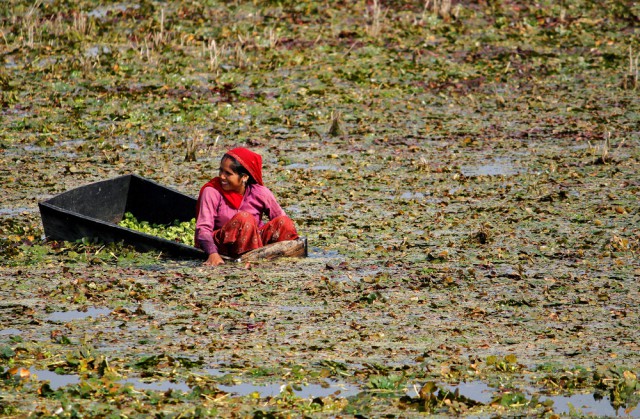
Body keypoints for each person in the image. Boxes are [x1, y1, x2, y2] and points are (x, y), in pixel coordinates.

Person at [195, 147, 298, 266]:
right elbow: (203, 229)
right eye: (221, 171)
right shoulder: (212, 192)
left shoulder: (260, 193)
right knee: (244, 218)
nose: (222, 177)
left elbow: (280, 219)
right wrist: (212, 254)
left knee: (284, 222)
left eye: (228, 173)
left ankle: (282, 263)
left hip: (255, 243)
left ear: (244, 177)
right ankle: (247, 264)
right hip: (222, 246)